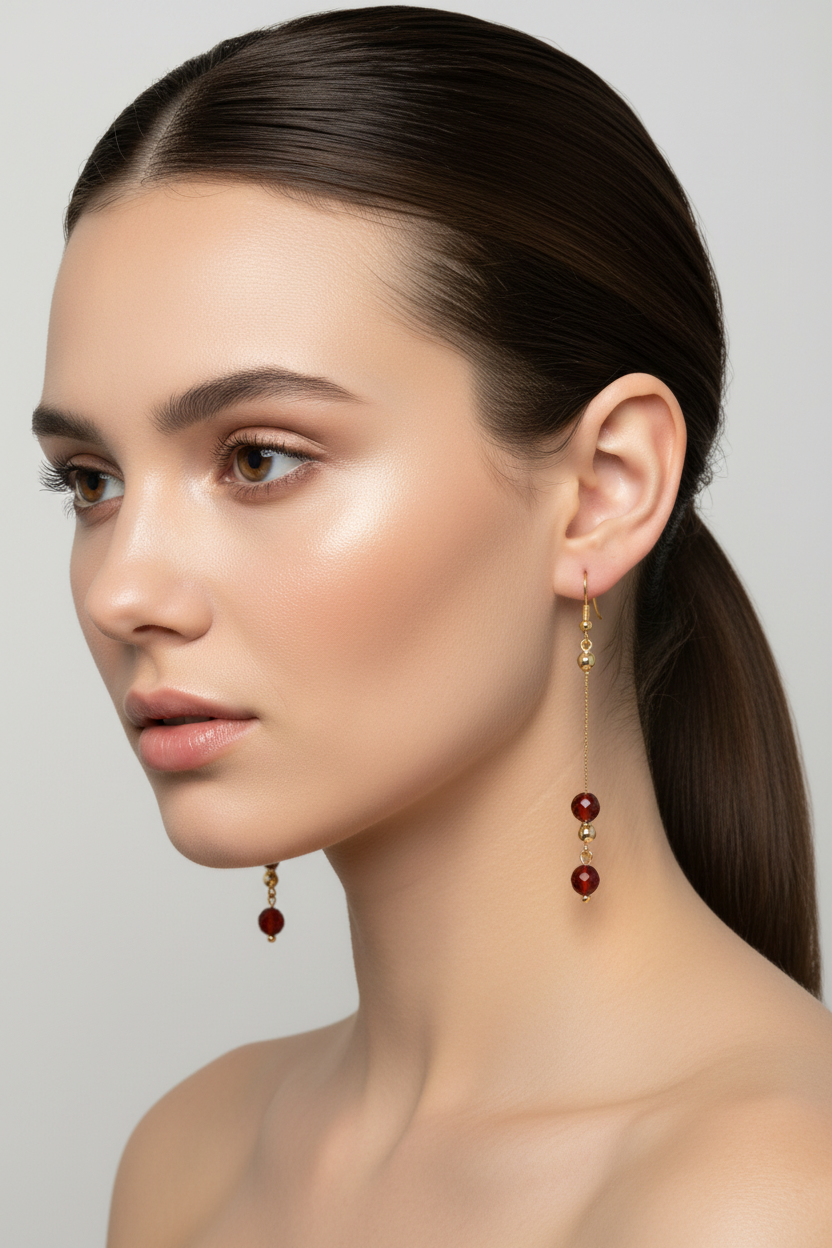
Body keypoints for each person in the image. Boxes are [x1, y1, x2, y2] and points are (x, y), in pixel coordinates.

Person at [32, 6, 832, 1244]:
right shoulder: (189, 1158)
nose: (120, 591)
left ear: (603, 491)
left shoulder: (770, 1194)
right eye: (90, 481)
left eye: (257, 457)